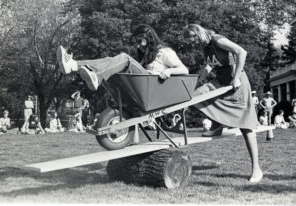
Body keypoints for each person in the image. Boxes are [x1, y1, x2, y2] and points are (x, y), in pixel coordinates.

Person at [184, 24, 263, 182]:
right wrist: (197, 81)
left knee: (245, 127)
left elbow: (242, 52)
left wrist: (236, 77)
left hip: (236, 82)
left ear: (197, 33)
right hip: (220, 80)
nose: (191, 43)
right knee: (195, 96)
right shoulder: (205, 47)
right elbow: (209, 66)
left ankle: (256, 169)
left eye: (192, 39)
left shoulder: (217, 39)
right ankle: (217, 126)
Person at [56, 24, 189, 91]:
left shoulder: (165, 52)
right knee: (110, 60)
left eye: (140, 42)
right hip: (142, 84)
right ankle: (73, 65)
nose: (137, 46)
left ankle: (97, 75)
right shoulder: (147, 55)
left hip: (152, 85)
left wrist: (169, 71)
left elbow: (184, 70)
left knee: (125, 58)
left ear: (149, 38)